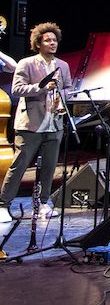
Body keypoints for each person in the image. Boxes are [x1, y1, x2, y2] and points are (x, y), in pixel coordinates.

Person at [0, 22, 73, 223]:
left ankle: (43, 203)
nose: (52, 43)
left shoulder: (63, 65)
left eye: (54, 40)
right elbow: (17, 90)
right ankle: (3, 205)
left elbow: (69, 88)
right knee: (19, 165)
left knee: (49, 166)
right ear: (38, 43)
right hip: (30, 124)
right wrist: (42, 88)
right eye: (47, 40)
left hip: (54, 122)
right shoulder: (27, 63)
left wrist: (61, 94)